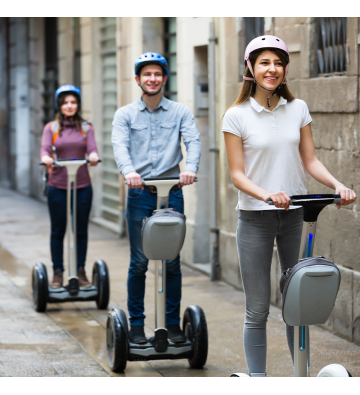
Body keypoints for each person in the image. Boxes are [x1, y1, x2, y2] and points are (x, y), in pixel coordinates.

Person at [222, 35, 356, 377]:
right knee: (258, 308)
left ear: (285, 70)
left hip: (295, 215)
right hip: (255, 219)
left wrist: (337, 185)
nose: (272, 69)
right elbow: (237, 175)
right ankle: (258, 379)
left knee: (297, 301)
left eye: (278, 63)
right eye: (265, 62)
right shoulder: (236, 115)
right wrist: (267, 194)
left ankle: (301, 375)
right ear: (250, 68)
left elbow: (310, 161)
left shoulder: (297, 109)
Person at [112, 52, 201, 344]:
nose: (152, 79)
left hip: (172, 194)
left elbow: (193, 141)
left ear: (164, 78)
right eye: (146, 74)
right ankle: (136, 326)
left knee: (172, 262)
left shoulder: (180, 111)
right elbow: (120, 146)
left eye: (157, 74)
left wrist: (189, 169)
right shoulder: (125, 114)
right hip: (140, 194)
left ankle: (172, 326)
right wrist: (129, 172)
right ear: (138, 80)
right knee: (139, 263)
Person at [40, 85, 99, 289]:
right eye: (65, 102)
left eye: (73, 102)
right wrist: (46, 158)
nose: (69, 106)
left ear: (78, 104)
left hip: (82, 185)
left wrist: (93, 157)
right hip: (57, 186)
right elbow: (45, 150)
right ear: (59, 105)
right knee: (58, 231)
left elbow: (92, 149)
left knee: (80, 230)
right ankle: (58, 272)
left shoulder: (86, 127)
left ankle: (80, 271)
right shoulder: (52, 128)